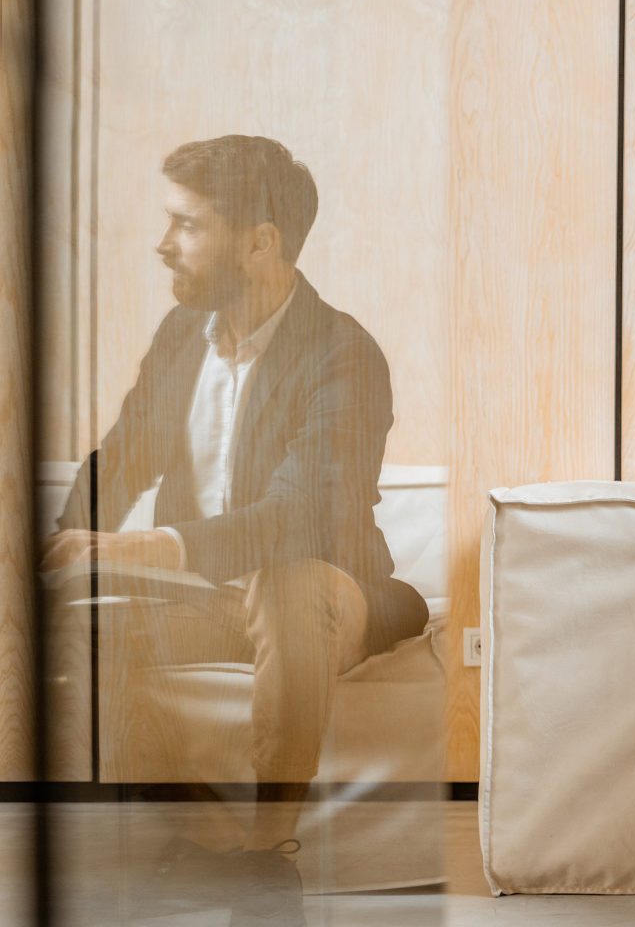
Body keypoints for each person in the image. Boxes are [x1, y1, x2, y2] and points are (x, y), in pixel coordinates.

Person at [41, 135, 426, 923]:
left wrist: (139, 546)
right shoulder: (181, 337)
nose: (163, 243)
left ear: (259, 242)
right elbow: (121, 460)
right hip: (206, 601)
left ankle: (266, 856)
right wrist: (61, 548)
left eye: (188, 225)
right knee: (66, 627)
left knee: (286, 585)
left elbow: (296, 519)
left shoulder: (345, 354)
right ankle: (188, 833)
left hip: (327, 589)